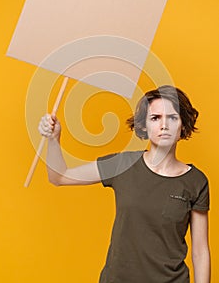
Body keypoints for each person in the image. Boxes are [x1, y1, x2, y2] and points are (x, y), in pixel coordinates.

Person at [38, 85, 210, 283]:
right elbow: (59, 177)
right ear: (144, 125)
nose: (164, 125)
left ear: (183, 125)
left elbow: (200, 252)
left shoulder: (196, 181)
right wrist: (53, 140)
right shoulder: (121, 164)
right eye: (155, 118)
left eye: (172, 117)